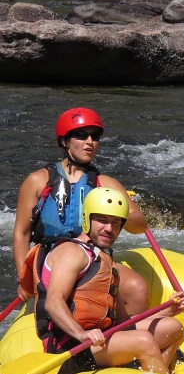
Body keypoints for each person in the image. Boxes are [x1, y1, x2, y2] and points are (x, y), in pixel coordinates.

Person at [19, 187, 184, 374]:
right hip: (68, 346)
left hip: (99, 339)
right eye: (102, 220)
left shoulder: (104, 260)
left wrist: (165, 312)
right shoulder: (71, 252)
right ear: (86, 219)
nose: (109, 229)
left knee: (172, 328)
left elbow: (121, 322)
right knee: (144, 340)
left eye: (116, 223)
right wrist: (81, 334)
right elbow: (53, 302)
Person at [13, 107, 149, 317]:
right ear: (64, 141)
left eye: (95, 137)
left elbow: (140, 226)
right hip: (50, 258)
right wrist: (24, 278)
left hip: (92, 257)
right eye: (81, 135)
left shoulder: (106, 184)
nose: (90, 142)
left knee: (137, 288)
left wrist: (120, 208)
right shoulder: (38, 181)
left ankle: (122, 338)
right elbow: (22, 233)